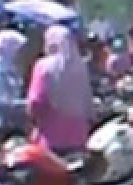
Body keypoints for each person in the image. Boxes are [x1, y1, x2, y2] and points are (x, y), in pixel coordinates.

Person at [27, 24, 94, 155]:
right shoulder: (81, 66)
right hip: (79, 135)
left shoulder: (43, 65)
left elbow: (36, 101)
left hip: (51, 136)